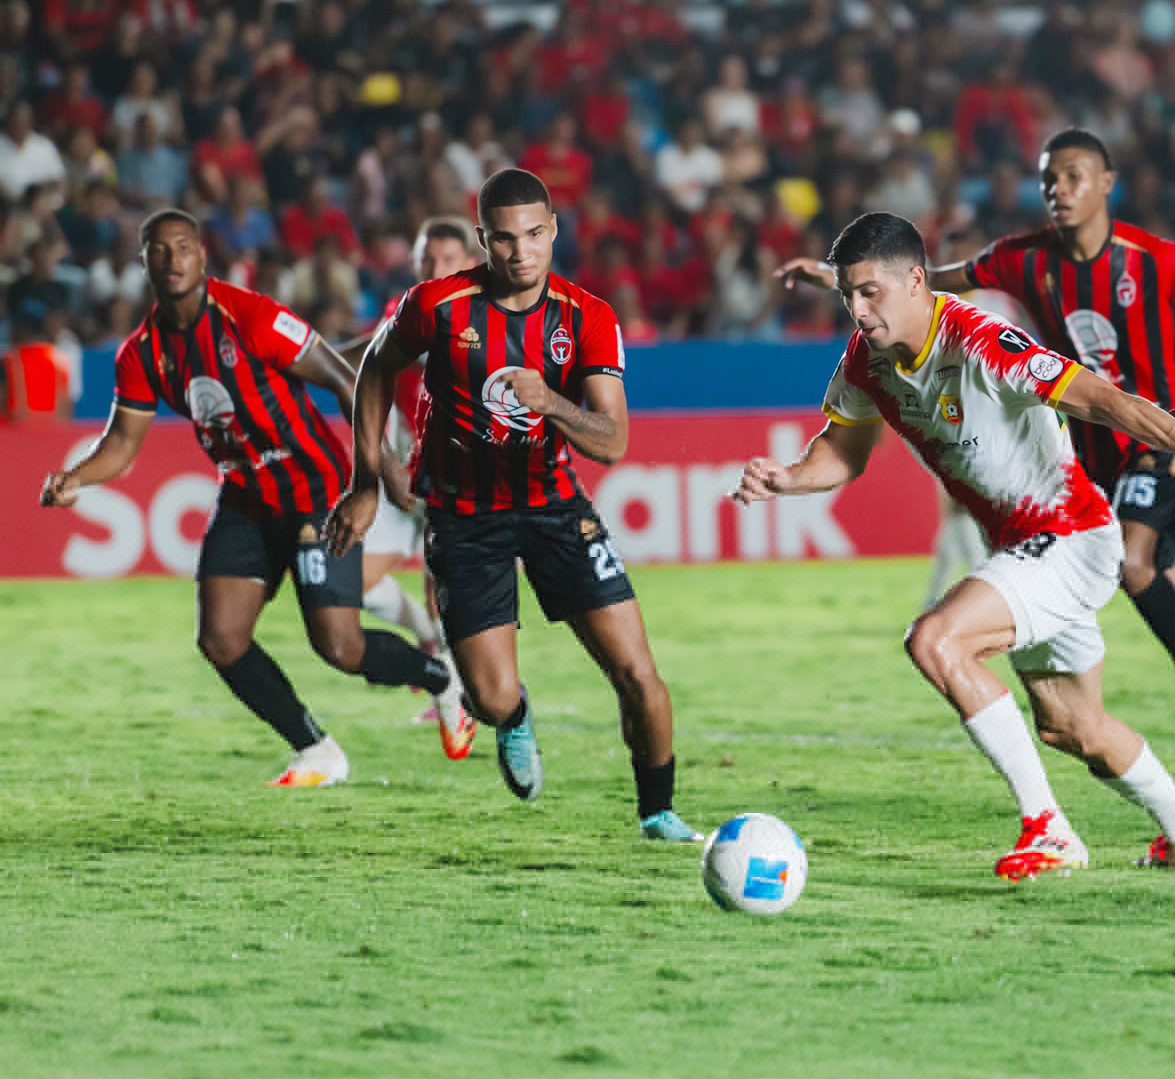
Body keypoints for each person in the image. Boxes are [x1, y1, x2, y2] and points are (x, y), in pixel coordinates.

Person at [739, 212, 1175, 879]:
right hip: (1022, 550)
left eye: (869, 292)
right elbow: (842, 453)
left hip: (1070, 538)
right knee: (1072, 727)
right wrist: (788, 478)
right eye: (847, 296)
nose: (857, 311)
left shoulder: (980, 341)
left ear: (915, 280)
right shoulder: (868, 360)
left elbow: (1109, 401)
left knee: (936, 640)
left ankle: (1051, 831)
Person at [779, 128, 1175, 758]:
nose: (1059, 190)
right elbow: (925, 278)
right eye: (1049, 178)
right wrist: (842, 278)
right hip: (1086, 447)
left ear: (1106, 183)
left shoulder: (1156, 258)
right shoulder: (1022, 258)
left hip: (1154, 432)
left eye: (1074, 176)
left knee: (1132, 562)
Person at [326, 169, 699, 842]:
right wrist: (365, 482)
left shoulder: (587, 316)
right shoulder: (437, 305)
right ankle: (515, 715)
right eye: (504, 239)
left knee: (637, 673)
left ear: (554, 231)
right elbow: (375, 368)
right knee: (492, 700)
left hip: (554, 504)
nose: (521, 251)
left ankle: (658, 812)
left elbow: (612, 440)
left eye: (534, 235)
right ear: (483, 241)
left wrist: (553, 402)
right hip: (463, 516)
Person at [38, 209, 462, 786]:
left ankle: (440, 678)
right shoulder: (141, 354)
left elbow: (342, 375)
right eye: (158, 250)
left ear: (202, 256)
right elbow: (121, 444)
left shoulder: (251, 316)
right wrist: (77, 478)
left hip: (315, 489)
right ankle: (316, 749)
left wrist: (379, 468)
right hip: (245, 499)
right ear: (143, 263)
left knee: (339, 647)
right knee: (221, 639)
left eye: (183, 246)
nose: (172, 259)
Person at [338, 217, 481, 753]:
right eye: (426, 259)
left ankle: (457, 694)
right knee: (352, 581)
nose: (434, 269)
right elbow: (367, 359)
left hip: (463, 473)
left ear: (468, 261)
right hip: (404, 472)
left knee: (442, 583)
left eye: (446, 260)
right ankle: (435, 647)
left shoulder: (485, 315)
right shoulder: (404, 312)